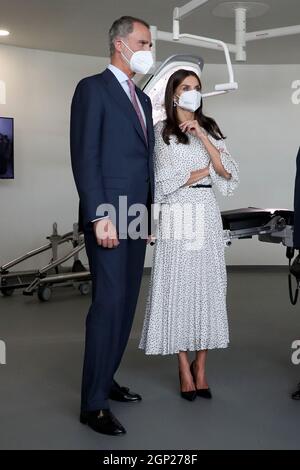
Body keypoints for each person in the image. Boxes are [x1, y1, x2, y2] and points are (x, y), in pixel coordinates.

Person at [70, 16, 155, 435]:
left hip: (137, 216)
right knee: (107, 305)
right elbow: (86, 158)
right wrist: (99, 214)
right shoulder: (92, 89)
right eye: (144, 42)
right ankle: (92, 404)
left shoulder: (142, 99)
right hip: (109, 215)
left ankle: (107, 378)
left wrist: (150, 213)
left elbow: (145, 163)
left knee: (125, 306)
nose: (148, 49)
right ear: (121, 45)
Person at [139, 69, 239, 401]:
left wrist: (203, 138)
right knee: (177, 287)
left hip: (207, 215)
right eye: (186, 88)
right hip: (176, 217)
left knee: (209, 287)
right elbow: (165, 180)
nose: (193, 93)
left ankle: (202, 368)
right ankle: (183, 367)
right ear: (174, 94)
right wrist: (202, 170)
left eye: (197, 88)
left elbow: (227, 172)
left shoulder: (209, 128)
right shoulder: (161, 132)